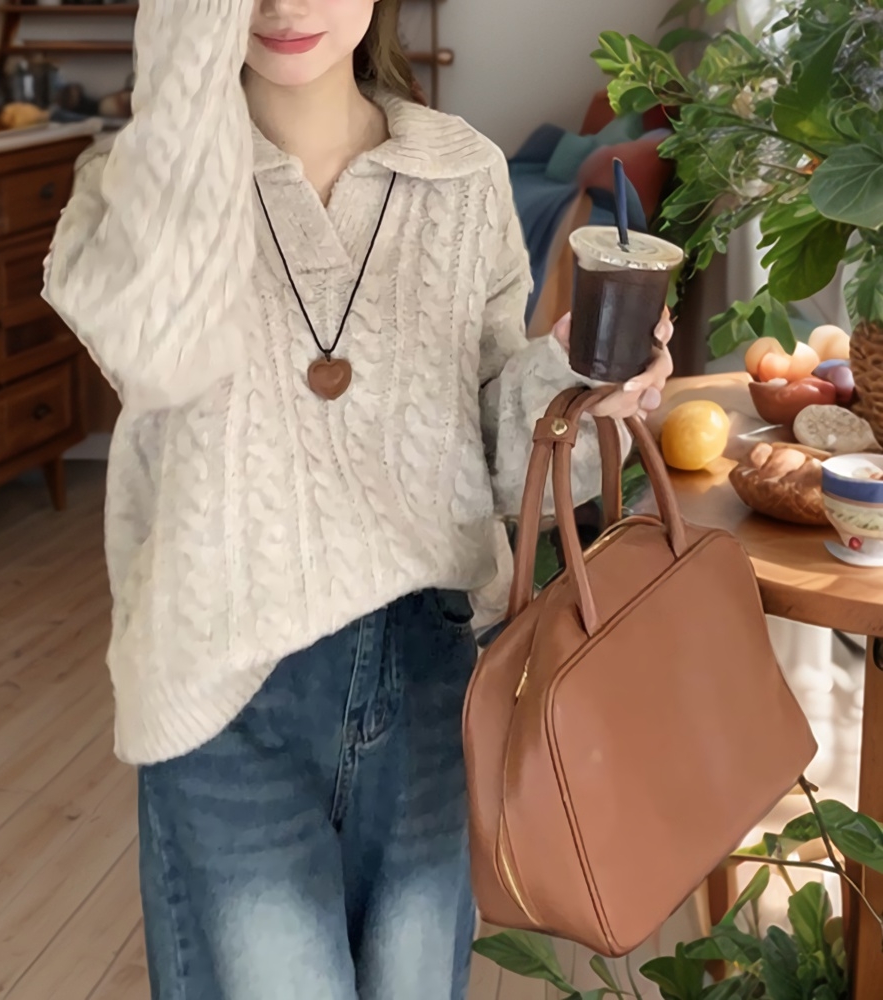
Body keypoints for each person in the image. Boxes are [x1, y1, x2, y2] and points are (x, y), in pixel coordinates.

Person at [43, 0, 674, 997]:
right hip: (223, 684)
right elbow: (159, 355)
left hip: (430, 673)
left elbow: (491, 454)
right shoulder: (133, 189)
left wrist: (577, 388)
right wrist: (185, 66)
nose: (283, 5)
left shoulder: (462, 173)